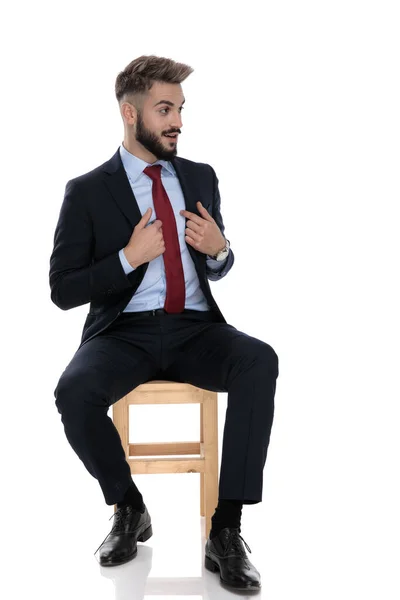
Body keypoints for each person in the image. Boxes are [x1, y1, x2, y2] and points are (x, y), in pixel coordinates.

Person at [49, 54, 279, 591]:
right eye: (164, 109)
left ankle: (226, 530)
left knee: (259, 360)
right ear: (130, 116)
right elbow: (62, 290)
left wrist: (221, 250)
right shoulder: (86, 191)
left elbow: (216, 265)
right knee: (73, 391)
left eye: (179, 109)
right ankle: (128, 507)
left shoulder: (200, 176)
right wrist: (129, 258)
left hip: (196, 330)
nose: (177, 121)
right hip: (122, 333)